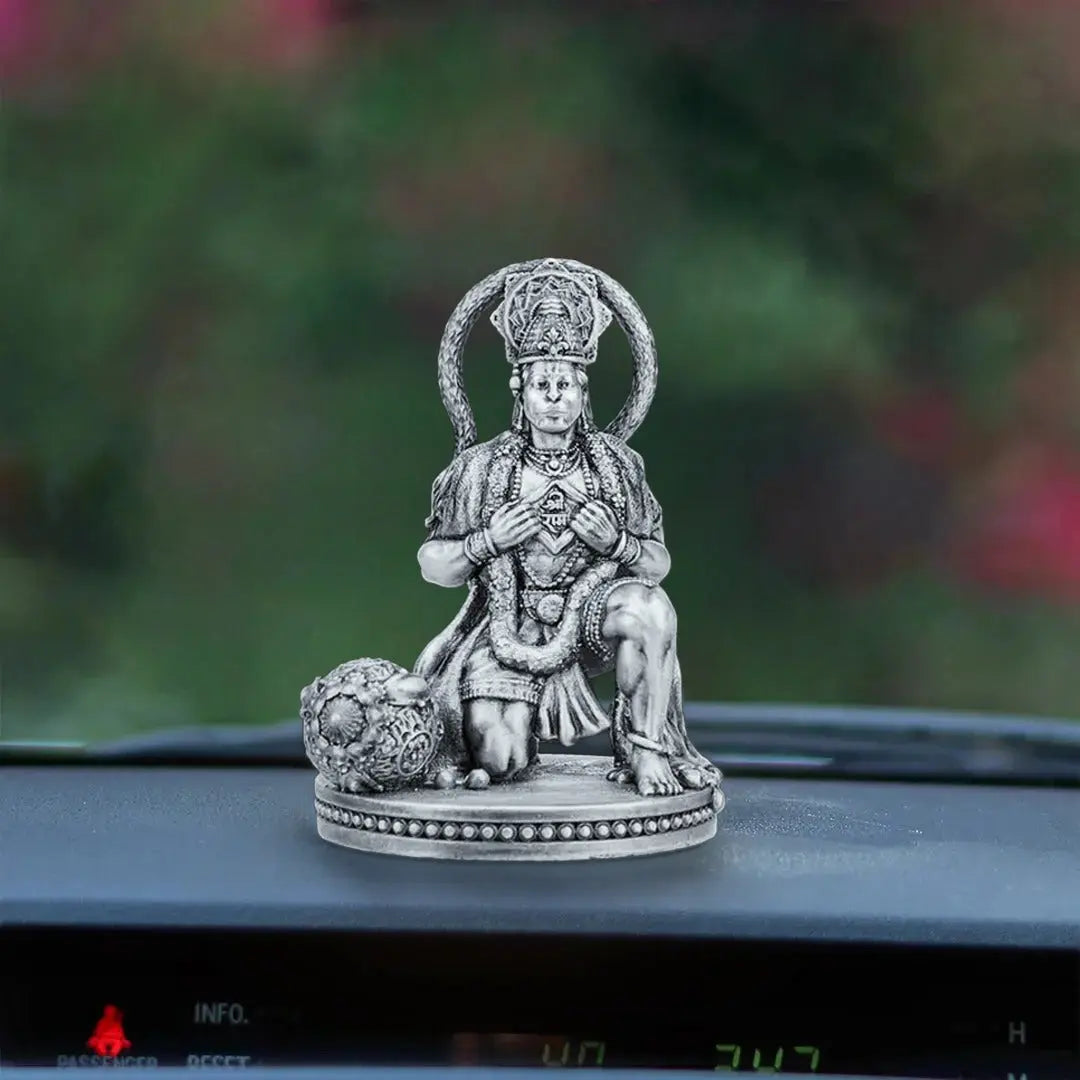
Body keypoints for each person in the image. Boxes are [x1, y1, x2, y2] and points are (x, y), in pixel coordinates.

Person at [414, 263, 720, 801]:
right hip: (509, 625)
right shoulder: (483, 468)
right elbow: (432, 564)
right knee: (499, 759)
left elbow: (657, 564)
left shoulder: (616, 467)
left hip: (592, 620)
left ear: (583, 392)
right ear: (521, 392)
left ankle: (647, 749)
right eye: (542, 385)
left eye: (565, 385)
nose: (554, 397)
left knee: (649, 609)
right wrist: (488, 541)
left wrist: (617, 544)